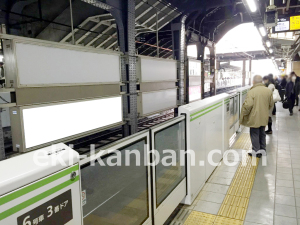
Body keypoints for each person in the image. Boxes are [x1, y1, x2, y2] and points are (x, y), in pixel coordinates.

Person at [240, 75, 273, 158]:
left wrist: (244, 114)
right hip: (264, 116)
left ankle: (256, 151)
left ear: (253, 82)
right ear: (261, 81)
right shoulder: (268, 91)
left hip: (254, 117)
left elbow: (248, 105)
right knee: (262, 133)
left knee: (254, 133)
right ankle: (263, 150)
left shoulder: (252, 91)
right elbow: (271, 104)